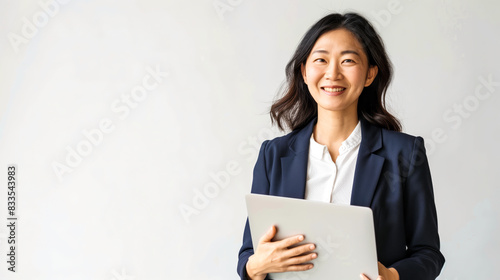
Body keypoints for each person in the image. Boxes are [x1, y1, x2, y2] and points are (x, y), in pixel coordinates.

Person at [237, 12, 445, 280]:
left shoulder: (404, 153)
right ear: (304, 71)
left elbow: (428, 253)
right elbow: (249, 253)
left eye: (348, 61)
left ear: (370, 73)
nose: (332, 73)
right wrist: (255, 266)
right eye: (321, 60)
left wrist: (393, 276)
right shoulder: (273, 155)